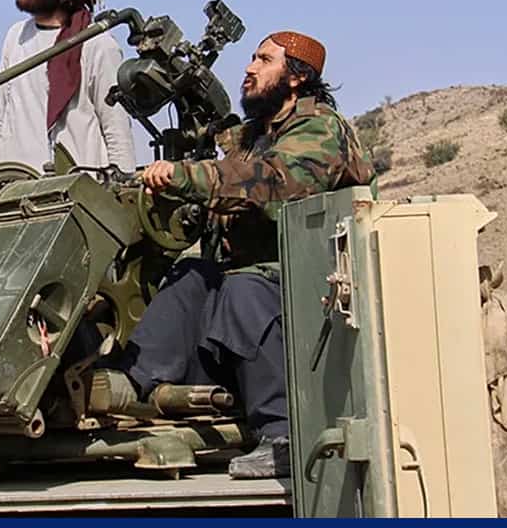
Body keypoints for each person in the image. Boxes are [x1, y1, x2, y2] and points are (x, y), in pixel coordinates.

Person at [87, 30, 376, 479]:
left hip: (315, 285)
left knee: (244, 286)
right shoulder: (252, 136)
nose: (250, 68)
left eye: (264, 60)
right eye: (251, 58)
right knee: (192, 276)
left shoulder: (320, 128)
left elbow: (274, 182)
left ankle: (281, 435)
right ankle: (130, 384)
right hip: (260, 283)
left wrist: (187, 176)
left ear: (296, 77)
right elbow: (225, 172)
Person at [0, 0, 135, 174]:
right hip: (12, 191)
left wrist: (123, 192)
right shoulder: (16, 36)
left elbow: (116, 129)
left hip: (74, 198)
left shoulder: (96, 44)